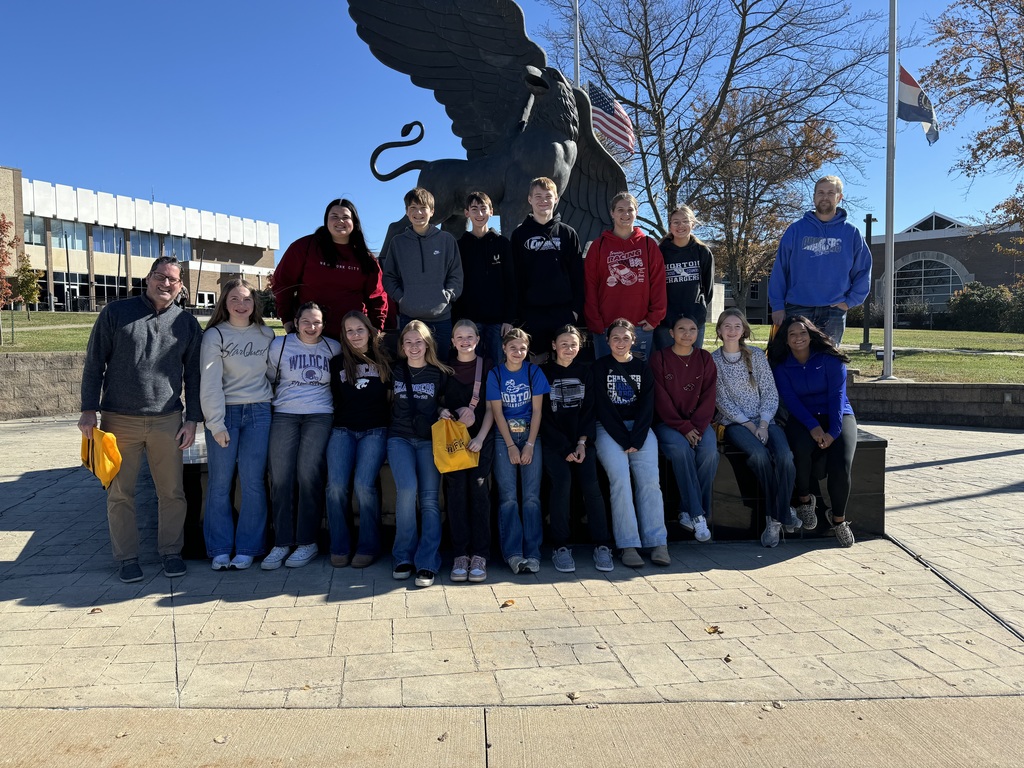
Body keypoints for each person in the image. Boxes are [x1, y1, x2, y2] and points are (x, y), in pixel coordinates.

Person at [79, 256, 202, 583]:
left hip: (168, 420)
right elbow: (94, 365)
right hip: (119, 421)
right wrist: (88, 409)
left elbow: (194, 374)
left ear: (180, 286)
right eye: (160, 277)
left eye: (173, 280)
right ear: (147, 279)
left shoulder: (187, 324)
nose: (166, 284)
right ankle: (127, 557)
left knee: (172, 492)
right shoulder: (116, 314)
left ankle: (171, 552)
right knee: (120, 492)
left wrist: (193, 419)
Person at [711, 309, 805, 548]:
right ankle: (782, 514)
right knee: (759, 456)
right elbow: (721, 400)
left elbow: (770, 393)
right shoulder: (713, 360)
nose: (732, 330)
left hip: (766, 420)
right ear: (719, 331)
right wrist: (751, 427)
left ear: (744, 330)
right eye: (727, 326)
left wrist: (763, 424)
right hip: (735, 423)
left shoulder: (756, 356)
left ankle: (775, 516)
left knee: (785, 456)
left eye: (737, 326)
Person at [199, 279, 276, 570]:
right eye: (235, 299)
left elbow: (271, 374)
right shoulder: (215, 336)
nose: (241, 305)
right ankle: (220, 548)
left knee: (254, 482)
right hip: (225, 414)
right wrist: (215, 423)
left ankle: (248, 547)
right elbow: (210, 382)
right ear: (224, 302)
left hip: (259, 412)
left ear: (255, 304)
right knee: (220, 483)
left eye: (247, 299)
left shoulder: (265, 334)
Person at [263, 302, 341, 570]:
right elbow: (271, 377)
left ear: (324, 324)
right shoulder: (280, 346)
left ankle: (308, 541)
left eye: (317, 322)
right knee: (281, 476)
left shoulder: (333, 348)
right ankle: (282, 541)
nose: (311, 327)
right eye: (306, 321)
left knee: (309, 474)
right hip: (285, 413)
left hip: (320, 414)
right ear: (296, 322)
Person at [768, 315, 857, 547]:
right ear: (785, 340)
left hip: (837, 415)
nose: (798, 338)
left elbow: (837, 397)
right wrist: (814, 427)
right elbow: (791, 400)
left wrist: (833, 432)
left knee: (842, 463)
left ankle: (839, 520)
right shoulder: (781, 366)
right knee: (799, 449)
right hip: (804, 417)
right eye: (792, 334)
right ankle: (805, 500)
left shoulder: (831, 359)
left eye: (803, 333)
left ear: (811, 334)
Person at [592, 319, 670, 568]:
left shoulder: (643, 368)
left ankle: (657, 541)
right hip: (609, 429)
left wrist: (636, 437)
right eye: (615, 338)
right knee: (620, 482)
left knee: (650, 483)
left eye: (626, 338)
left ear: (634, 341)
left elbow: (648, 405)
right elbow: (603, 407)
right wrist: (624, 438)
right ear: (607, 341)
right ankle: (628, 544)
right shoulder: (600, 367)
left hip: (640, 429)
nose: (620, 342)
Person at [541, 325, 614, 573]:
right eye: (564, 344)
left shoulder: (586, 372)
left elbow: (589, 410)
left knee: (592, 488)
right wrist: (564, 448)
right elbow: (543, 416)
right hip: (554, 444)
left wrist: (582, 443)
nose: (569, 349)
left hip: (582, 442)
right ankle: (561, 546)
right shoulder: (543, 373)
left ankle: (602, 545)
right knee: (561, 485)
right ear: (553, 345)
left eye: (574, 344)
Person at [767, 176, 872, 344]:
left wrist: (849, 301)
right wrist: (778, 306)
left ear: (839, 197)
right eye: (820, 192)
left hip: (833, 311)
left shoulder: (851, 233)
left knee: (828, 362)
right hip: (797, 308)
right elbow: (780, 269)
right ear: (814, 196)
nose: (825, 197)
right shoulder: (795, 230)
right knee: (794, 361)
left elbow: (863, 270)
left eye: (831, 192)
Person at [325, 311, 392, 569]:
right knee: (336, 487)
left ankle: (368, 546)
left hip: (375, 430)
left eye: (359, 330)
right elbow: (334, 398)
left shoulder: (384, 360)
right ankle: (340, 545)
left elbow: (389, 400)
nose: (355, 335)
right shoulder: (337, 363)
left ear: (369, 331)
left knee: (365, 486)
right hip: (342, 430)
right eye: (349, 331)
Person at [389, 320, 451, 587]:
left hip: (428, 441)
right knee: (406, 492)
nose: (414, 347)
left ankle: (427, 560)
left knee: (428, 500)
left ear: (428, 344)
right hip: (399, 439)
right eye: (409, 342)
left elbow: (441, 405)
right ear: (402, 345)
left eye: (419, 341)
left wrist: (443, 412)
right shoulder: (394, 371)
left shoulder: (439, 373)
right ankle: (402, 556)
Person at [272, 198, 387, 340]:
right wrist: (287, 320)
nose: (340, 221)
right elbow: (283, 283)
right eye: (334, 217)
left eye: (346, 217)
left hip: (351, 337)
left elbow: (378, 296)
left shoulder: (365, 258)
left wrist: (376, 327)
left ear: (354, 222)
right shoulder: (304, 247)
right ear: (326, 220)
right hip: (312, 334)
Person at [651, 312, 719, 543]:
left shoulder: (704, 358)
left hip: (699, 422)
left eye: (692, 329)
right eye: (681, 329)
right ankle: (699, 515)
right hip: (668, 423)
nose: (687, 334)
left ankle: (686, 510)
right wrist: (682, 427)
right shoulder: (659, 358)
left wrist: (697, 427)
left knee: (709, 452)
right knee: (681, 450)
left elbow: (709, 396)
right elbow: (660, 398)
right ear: (671, 333)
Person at [487, 327, 550, 573]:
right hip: (505, 438)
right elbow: (497, 412)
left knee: (532, 497)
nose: (518, 352)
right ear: (504, 348)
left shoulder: (534, 372)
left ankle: (533, 552)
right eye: (513, 347)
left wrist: (530, 445)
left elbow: (537, 411)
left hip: (531, 435)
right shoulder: (496, 374)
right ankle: (513, 553)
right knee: (509, 497)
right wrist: (512, 446)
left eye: (523, 348)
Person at [382, 188, 464, 360]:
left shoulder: (446, 240)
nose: (418, 212)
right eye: (413, 208)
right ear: (406, 212)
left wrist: (446, 296)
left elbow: (455, 275)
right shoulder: (398, 242)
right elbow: (388, 277)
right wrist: (402, 298)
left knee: (440, 367)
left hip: (441, 319)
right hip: (409, 319)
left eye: (423, 207)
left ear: (432, 211)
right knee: (412, 368)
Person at [584, 192, 666, 359]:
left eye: (630, 209)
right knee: (607, 378)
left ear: (636, 212)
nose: (625, 214)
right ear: (612, 213)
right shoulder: (598, 246)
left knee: (638, 380)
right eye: (620, 210)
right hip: (606, 327)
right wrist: (595, 321)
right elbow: (590, 285)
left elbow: (658, 282)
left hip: (640, 326)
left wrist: (654, 317)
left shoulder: (648, 245)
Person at [443, 319, 495, 583]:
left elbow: (491, 408)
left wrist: (481, 439)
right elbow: (438, 403)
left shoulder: (488, 367)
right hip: (452, 443)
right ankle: (460, 554)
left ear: (477, 338)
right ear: (452, 341)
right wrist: (445, 412)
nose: (464, 341)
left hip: (480, 442)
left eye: (469, 336)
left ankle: (480, 554)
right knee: (456, 496)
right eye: (459, 337)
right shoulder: (444, 367)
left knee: (478, 494)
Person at [510, 177, 584, 360]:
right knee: (536, 368)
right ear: (529, 199)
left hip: (563, 313)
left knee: (564, 364)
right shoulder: (519, 235)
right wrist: (516, 314)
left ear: (556, 199)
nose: (543, 200)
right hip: (531, 314)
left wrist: (574, 310)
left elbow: (578, 275)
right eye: (538, 196)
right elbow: (514, 277)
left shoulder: (568, 233)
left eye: (548, 196)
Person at [454, 192, 515, 363]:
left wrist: (509, 319)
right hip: (469, 322)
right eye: (474, 209)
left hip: (497, 322)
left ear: (491, 211)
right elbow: (455, 283)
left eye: (483, 209)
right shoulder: (459, 245)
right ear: (467, 213)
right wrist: (458, 319)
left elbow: (511, 283)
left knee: (496, 366)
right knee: (472, 366)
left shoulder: (502, 243)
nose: (479, 214)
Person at [657, 205, 714, 350]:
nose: (680, 225)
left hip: (694, 321)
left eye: (685, 221)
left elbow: (708, 289)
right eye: (676, 222)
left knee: (692, 367)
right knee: (666, 367)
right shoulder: (660, 252)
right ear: (670, 225)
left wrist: (697, 312)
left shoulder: (703, 252)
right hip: (666, 322)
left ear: (692, 224)